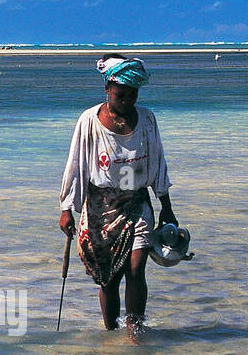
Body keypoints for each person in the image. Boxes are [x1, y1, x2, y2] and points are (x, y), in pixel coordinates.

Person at [58, 54, 178, 335]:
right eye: (120, 95)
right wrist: (67, 209)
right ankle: (111, 333)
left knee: (136, 270)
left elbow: (158, 163)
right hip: (101, 207)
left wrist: (167, 208)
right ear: (107, 90)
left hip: (137, 204)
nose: (127, 101)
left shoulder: (147, 119)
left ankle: (134, 331)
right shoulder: (89, 120)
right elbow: (75, 166)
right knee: (108, 280)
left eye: (132, 95)